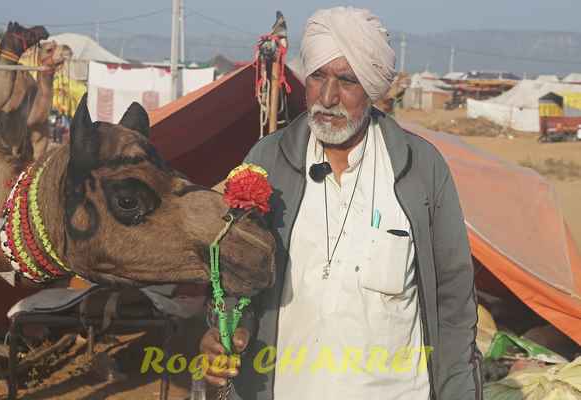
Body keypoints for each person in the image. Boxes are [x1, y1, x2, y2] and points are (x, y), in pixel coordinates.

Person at [200, 6, 482, 400]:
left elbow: (453, 300)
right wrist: (228, 329)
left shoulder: (420, 168)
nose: (328, 97)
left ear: (372, 87)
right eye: (318, 77)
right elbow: (236, 275)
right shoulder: (267, 162)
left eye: (347, 81)